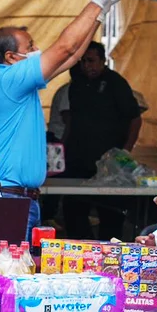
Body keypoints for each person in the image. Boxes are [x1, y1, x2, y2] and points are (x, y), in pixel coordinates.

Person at [0, 0, 120, 235]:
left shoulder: (20, 82)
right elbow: (64, 47)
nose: (37, 50)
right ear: (10, 57)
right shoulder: (9, 79)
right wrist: (95, 3)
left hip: (21, 199)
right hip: (6, 199)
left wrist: (98, 16)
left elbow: (72, 57)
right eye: (30, 46)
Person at [62, 42, 143, 239]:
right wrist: (63, 147)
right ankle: (82, 251)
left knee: (111, 214)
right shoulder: (77, 84)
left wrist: (125, 151)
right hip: (78, 158)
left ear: (102, 61)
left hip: (108, 161)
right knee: (73, 210)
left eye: (91, 61)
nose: (86, 66)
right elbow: (72, 119)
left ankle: (109, 254)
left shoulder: (116, 83)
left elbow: (135, 118)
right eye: (83, 61)